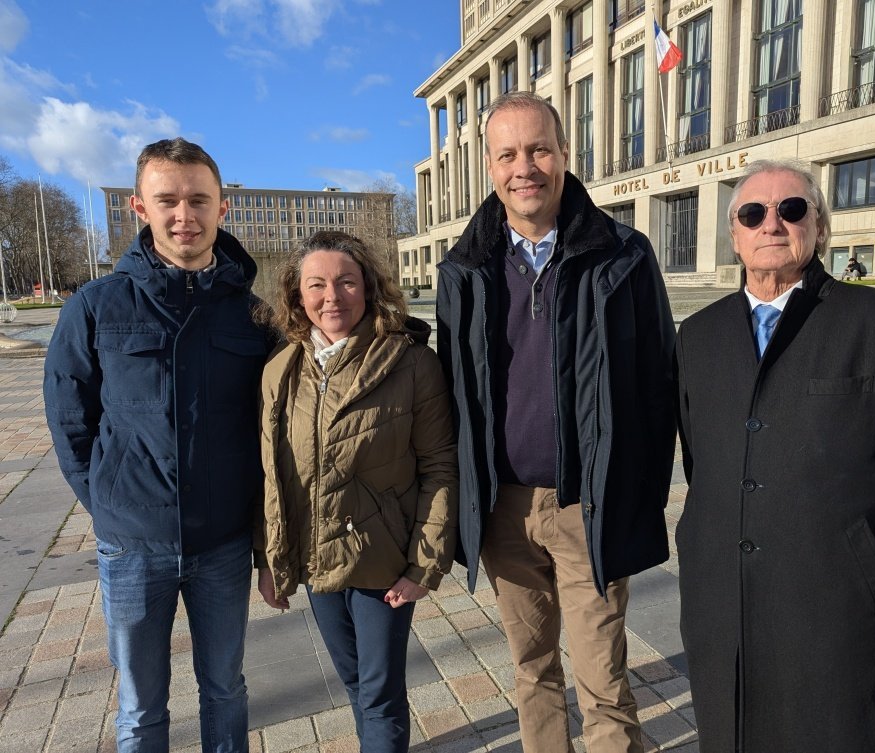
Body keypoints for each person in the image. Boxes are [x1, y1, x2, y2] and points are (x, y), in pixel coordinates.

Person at [673, 159, 875, 753]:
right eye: (752, 213)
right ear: (734, 235)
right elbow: (702, 461)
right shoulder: (697, 337)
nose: (772, 224)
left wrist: (861, 554)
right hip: (722, 601)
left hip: (835, 606)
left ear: (821, 227)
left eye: (792, 209)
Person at [436, 92, 676, 753]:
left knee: (602, 673)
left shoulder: (624, 254)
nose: (526, 167)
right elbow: (453, 392)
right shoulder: (463, 269)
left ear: (565, 154)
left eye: (539, 148)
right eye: (508, 153)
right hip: (503, 511)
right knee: (532, 667)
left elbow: (659, 384)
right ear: (489, 166)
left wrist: (638, 495)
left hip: (587, 504)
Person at [44, 138, 275, 752]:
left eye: (199, 199)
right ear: (137, 208)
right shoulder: (94, 307)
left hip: (222, 543)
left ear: (223, 208)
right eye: (167, 199)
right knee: (141, 708)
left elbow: (273, 426)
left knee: (225, 689)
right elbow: (72, 422)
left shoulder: (253, 315)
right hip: (131, 545)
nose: (185, 214)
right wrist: (108, 500)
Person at [256, 231, 457, 753]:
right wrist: (271, 562)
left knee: (380, 694)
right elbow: (273, 477)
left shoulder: (410, 362)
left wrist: (424, 566)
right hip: (318, 564)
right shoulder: (281, 370)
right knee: (355, 687)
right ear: (297, 295)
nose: (332, 297)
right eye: (316, 284)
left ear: (367, 287)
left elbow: (439, 468)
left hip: (383, 564)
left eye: (346, 282)